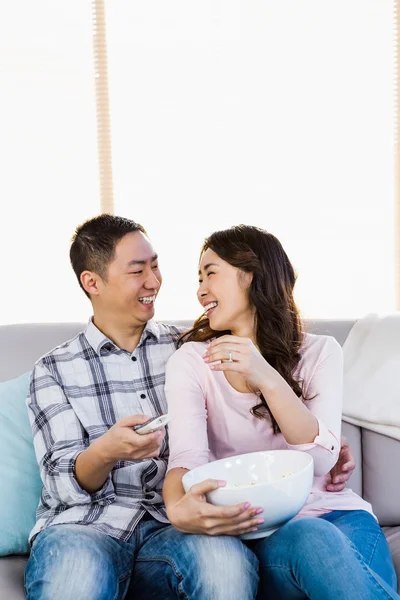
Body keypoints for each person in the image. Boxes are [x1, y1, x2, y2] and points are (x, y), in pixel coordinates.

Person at [25, 215, 355, 600]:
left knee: (224, 568)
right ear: (92, 282)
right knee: (74, 579)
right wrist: (106, 452)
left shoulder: (191, 348)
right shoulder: (53, 369)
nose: (154, 281)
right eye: (137, 270)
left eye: (155, 265)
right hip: (87, 525)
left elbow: (256, 404)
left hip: (177, 525)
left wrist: (328, 441)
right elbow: (61, 483)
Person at [163, 224, 399, 600]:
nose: (200, 289)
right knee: (311, 536)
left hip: (338, 513)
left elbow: (322, 461)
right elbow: (188, 458)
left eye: (211, 274)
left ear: (253, 276)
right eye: (199, 278)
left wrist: (266, 378)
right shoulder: (191, 362)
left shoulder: (321, 353)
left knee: (331, 546)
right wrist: (177, 506)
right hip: (264, 531)